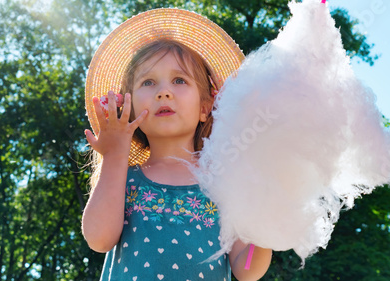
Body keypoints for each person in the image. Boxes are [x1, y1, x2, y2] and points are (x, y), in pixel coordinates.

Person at [81, 8, 272, 281]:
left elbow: (248, 270)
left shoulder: (224, 184)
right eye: (148, 82)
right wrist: (114, 155)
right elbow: (98, 239)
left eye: (179, 80)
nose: (163, 91)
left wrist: (268, 218)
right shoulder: (123, 176)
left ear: (206, 107)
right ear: (131, 107)